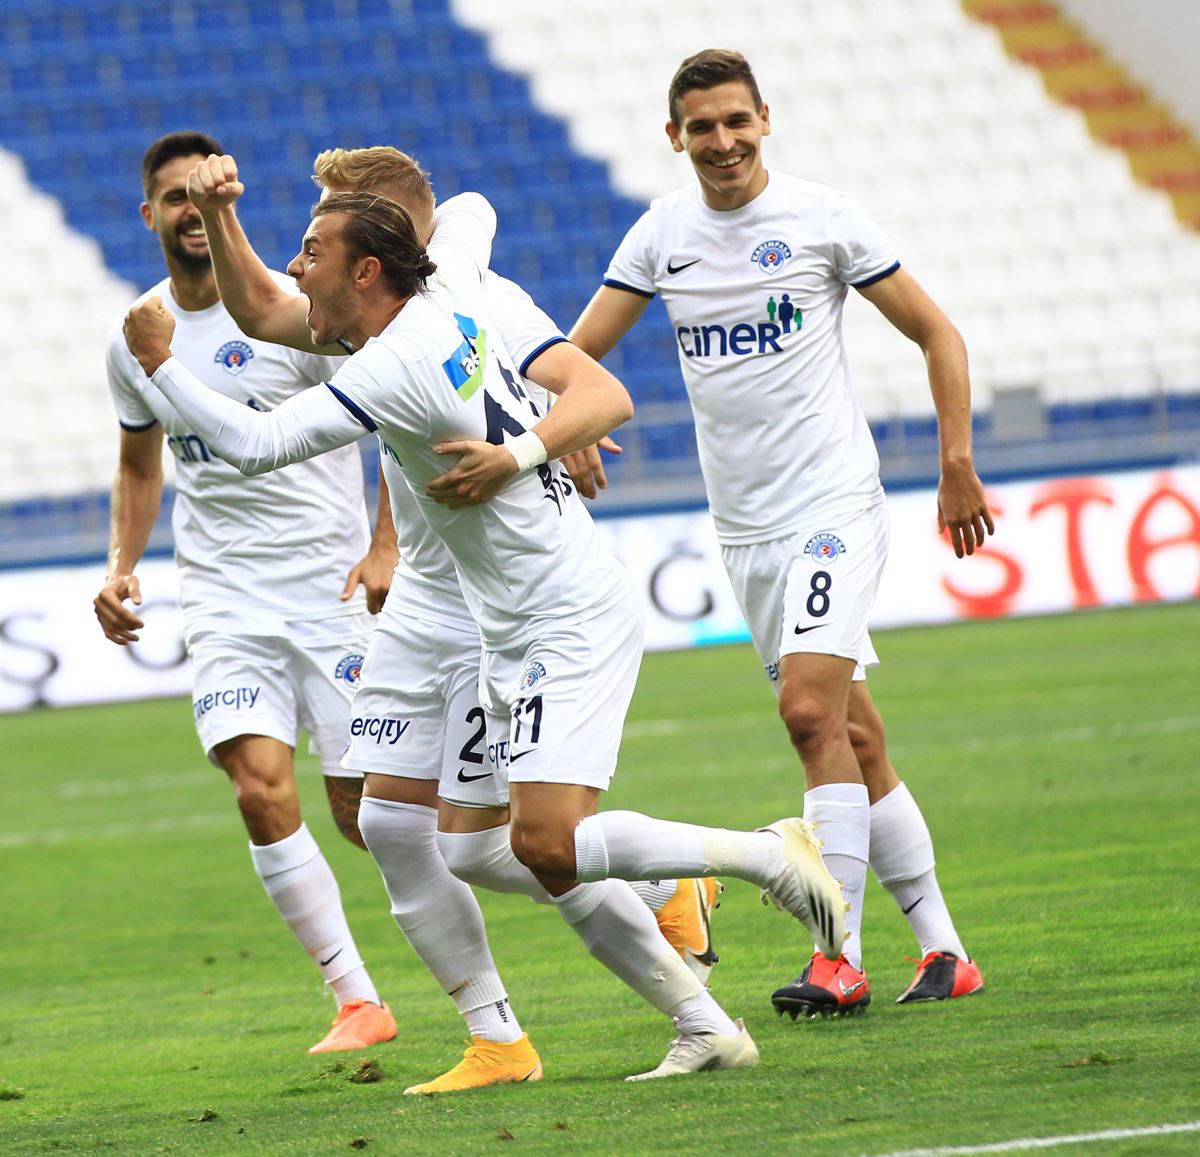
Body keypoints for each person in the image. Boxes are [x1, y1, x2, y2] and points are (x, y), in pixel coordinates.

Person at [121, 187, 848, 1081]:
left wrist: (161, 366)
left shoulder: (392, 362)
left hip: (564, 613)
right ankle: (706, 1028)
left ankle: (767, 856)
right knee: (473, 846)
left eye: (312, 250)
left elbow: (258, 443)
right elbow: (470, 208)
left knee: (548, 841)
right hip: (503, 619)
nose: (297, 267)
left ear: (367, 270)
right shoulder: (448, 286)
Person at [568, 49, 991, 1016]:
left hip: (832, 506)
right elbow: (573, 355)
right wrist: (570, 427)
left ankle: (839, 955)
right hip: (746, 529)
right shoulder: (661, 235)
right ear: (673, 136)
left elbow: (939, 333)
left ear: (766, 118)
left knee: (807, 714)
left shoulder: (822, 218)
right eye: (702, 127)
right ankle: (947, 951)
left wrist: (956, 461)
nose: (722, 142)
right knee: (852, 733)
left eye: (737, 121)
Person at [94, 132, 397, 1053]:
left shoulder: (291, 316)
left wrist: (386, 544)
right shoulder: (137, 336)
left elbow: (398, 420)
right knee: (258, 789)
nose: (190, 213)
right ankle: (357, 1001)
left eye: (203, 196)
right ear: (149, 215)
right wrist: (120, 564)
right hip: (224, 601)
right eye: (174, 199)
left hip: (331, 591)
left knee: (373, 816)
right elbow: (139, 465)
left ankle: (629, 877)